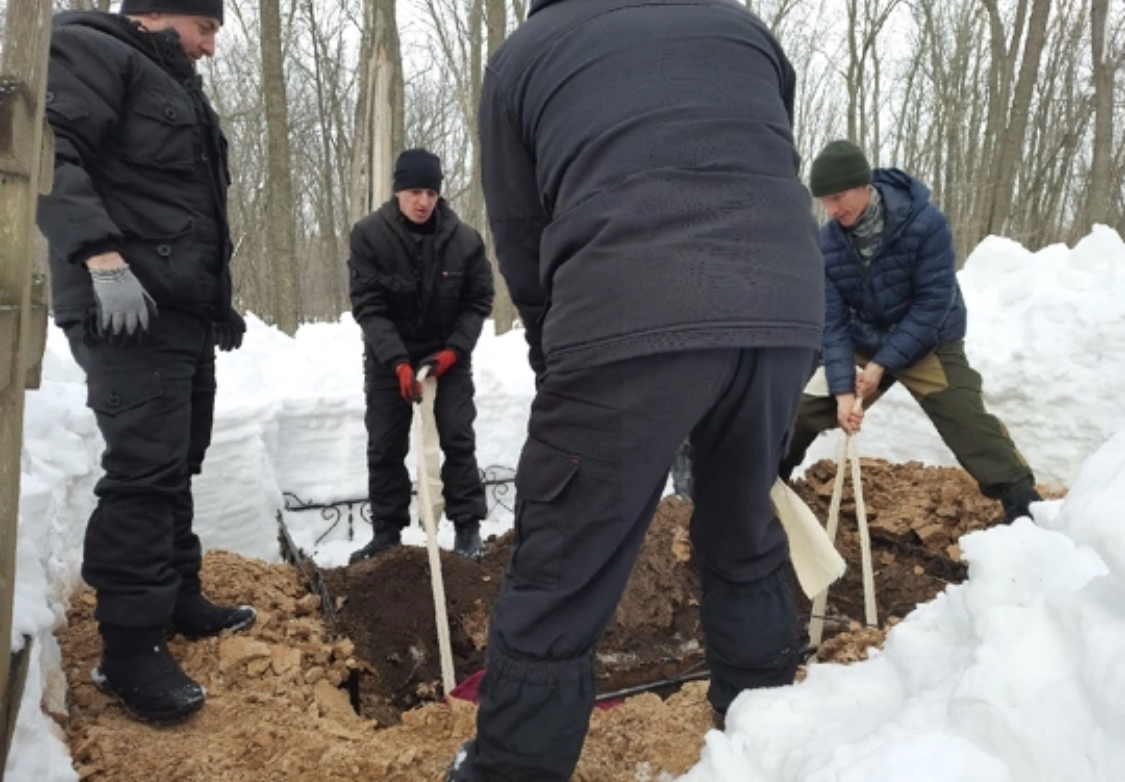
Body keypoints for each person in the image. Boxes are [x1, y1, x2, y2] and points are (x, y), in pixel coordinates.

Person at [450, 1, 824, 778]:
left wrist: (560, 358)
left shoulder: (526, 53)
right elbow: (767, 156)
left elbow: (520, 229)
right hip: (782, 304)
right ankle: (765, 749)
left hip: (628, 303)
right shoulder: (741, 27)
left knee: (562, 566)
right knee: (742, 526)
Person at [36, 0, 254, 724]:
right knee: (143, 471)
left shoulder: (173, 84)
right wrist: (98, 255)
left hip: (175, 313)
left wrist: (214, 307)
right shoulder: (89, 49)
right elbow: (49, 144)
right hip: (123, 307)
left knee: (177, 461)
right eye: (208, 29)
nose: (211, 48)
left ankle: (178, 597)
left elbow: (184, 209)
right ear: (162, 13)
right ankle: (127, 649)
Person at [778, 140, 1042, 523]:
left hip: (930, 339)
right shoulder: (828, 244)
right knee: (801, 408)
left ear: (863, 185)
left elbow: (933, 303)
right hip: (866, 338)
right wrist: (841, 392)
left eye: (838, 197)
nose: (832, 210)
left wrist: (883, 364)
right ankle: (770, 480)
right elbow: (832, 324)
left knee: (963, 416)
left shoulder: (924, 223)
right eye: (824, 201)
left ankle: (1021, 500)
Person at [347, 149, 495, 564]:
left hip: (447, 355)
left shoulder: (465, 241)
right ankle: (387, 533)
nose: (422, 201)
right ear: (398, 192)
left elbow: (479, 300)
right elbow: (368, 306)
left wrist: (453, 352)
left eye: (430, 192)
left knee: (457, 438)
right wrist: (397, 362)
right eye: (414, 191)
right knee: (385, 445)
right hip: (387, 358)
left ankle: (467, 527)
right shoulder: (369, 236)